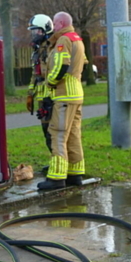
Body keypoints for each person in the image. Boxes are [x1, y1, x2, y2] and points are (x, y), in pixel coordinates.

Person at [37, 11, 86, 191]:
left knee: (57, 133)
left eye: (55, 23)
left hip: (64, 94)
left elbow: (61, 66)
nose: (53, 26)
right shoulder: (77, 39)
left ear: (61, 23)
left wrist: (49, 83)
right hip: (76, 93)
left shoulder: (64, 40)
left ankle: (56, 178)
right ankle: (75, 174)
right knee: (73, 134)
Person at [26, 14, 55, 154]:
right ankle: (54, 160)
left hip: (51, 97)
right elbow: (34, 74)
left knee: (53, 132)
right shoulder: (37, 51)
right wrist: (30, 94)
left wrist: (50, 98)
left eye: (37, 31)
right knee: (45, 131)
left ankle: (60, 163)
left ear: (46, 30)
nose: (34, 34)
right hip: (41, 98)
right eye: (33, 31)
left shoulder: (51, 49)